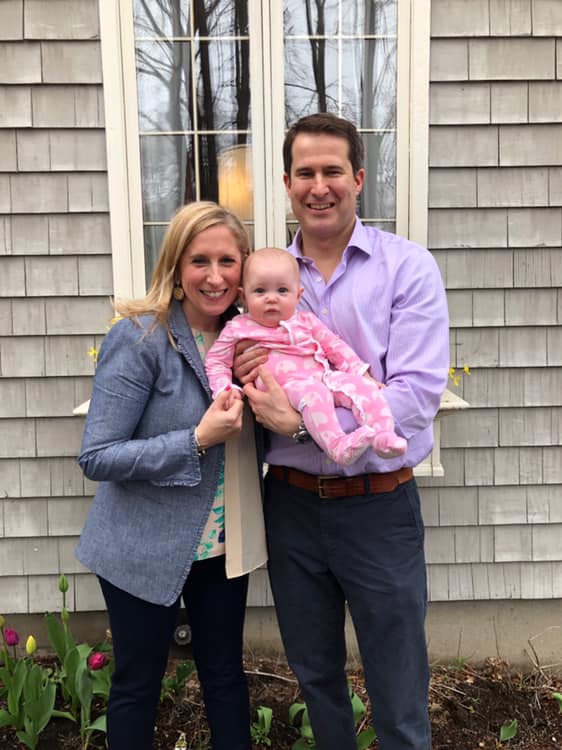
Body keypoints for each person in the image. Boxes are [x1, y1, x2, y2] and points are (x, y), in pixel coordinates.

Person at [234, 113, 450, 750]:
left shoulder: (406, 268)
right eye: (306, 172)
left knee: (399, 687)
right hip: (292, 505)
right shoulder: (262, 279)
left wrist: (301, 423)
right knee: (316, 677)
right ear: (287, 182)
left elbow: (412, 398)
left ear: (358, 179)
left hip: (378, 506)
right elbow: (225, 362)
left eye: (333, 171)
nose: (319, 185)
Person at [76, 201, 266, 750]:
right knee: (138, 684)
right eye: (199, 260)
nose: (214, 276)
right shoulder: (141, 338)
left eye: (227, 261)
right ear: (177, 266)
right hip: (141, 547)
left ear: (244, 265)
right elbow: (99, 455)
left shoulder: (250, 342)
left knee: (226, 677)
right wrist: (196, 439)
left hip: (223, 549)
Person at [205, 246, 406, 466]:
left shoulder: (306, 321)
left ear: (298, 294)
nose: (271, 298)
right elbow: (216, 361)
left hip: (323, 377)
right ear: (243, 296)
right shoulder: (239, 328)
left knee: (362, 389)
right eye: (260, 291)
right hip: (285, 389)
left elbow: (335, 347)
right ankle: (338, 447)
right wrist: (226, 389)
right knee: (315, 394)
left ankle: (382, 435)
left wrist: (361, 374)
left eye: (282, 291)